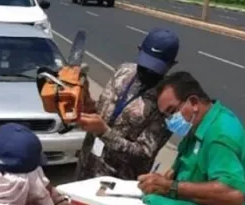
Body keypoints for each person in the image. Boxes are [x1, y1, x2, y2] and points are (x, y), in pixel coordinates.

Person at [137, 71, 245, 205]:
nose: (169, 120)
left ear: (193, 102)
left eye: (171, 111)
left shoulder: (220, 136)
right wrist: (166, 180)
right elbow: (187, 170)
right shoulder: (198, 127)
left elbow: (234, 194)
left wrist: (171, 187)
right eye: (165, 115)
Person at [74, 28, 180, 181]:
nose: (148, 72)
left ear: (171, 65)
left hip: (115, 182)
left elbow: (144, 153)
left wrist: (104, 132)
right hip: (86, 166)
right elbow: (104, 110)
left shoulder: (168, 101)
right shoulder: (124, 71)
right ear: (139, 50)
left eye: (155, 68)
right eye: (145, 64)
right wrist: (86, 101)